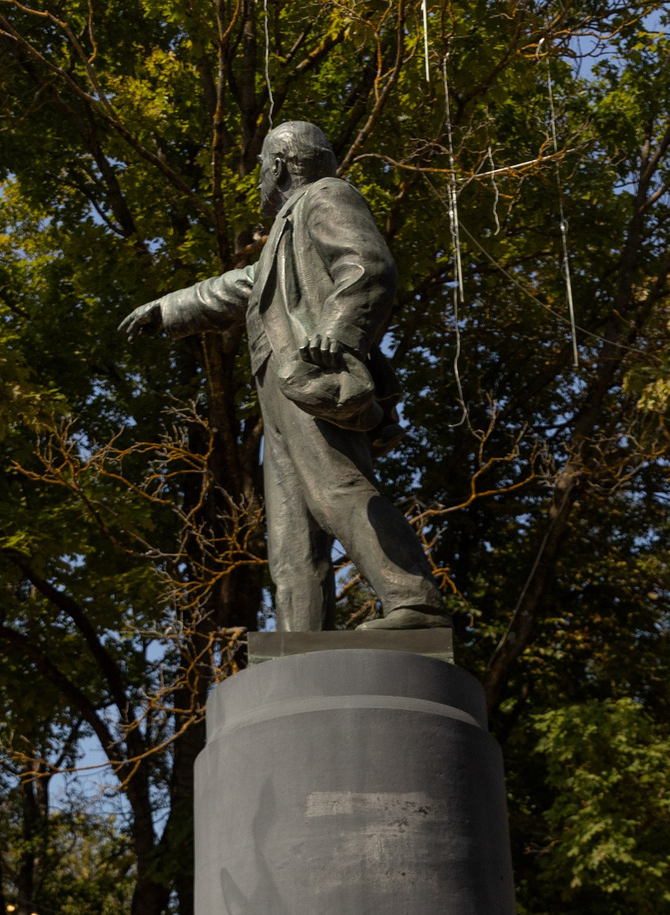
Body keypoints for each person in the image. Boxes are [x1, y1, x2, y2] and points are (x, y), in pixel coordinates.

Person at [117, 121, 451, 634]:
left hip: (313, 372)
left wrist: (339, 329)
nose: (258, 180)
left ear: (276, 167)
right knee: (292, 530)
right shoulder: (285, 229)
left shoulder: (326, 196)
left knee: (338, 489)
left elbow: (368, 266)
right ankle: (301, 639)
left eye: (260, 169)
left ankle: (416, 603)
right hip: (280, 382)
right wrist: (168, 308)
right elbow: (244, 285)